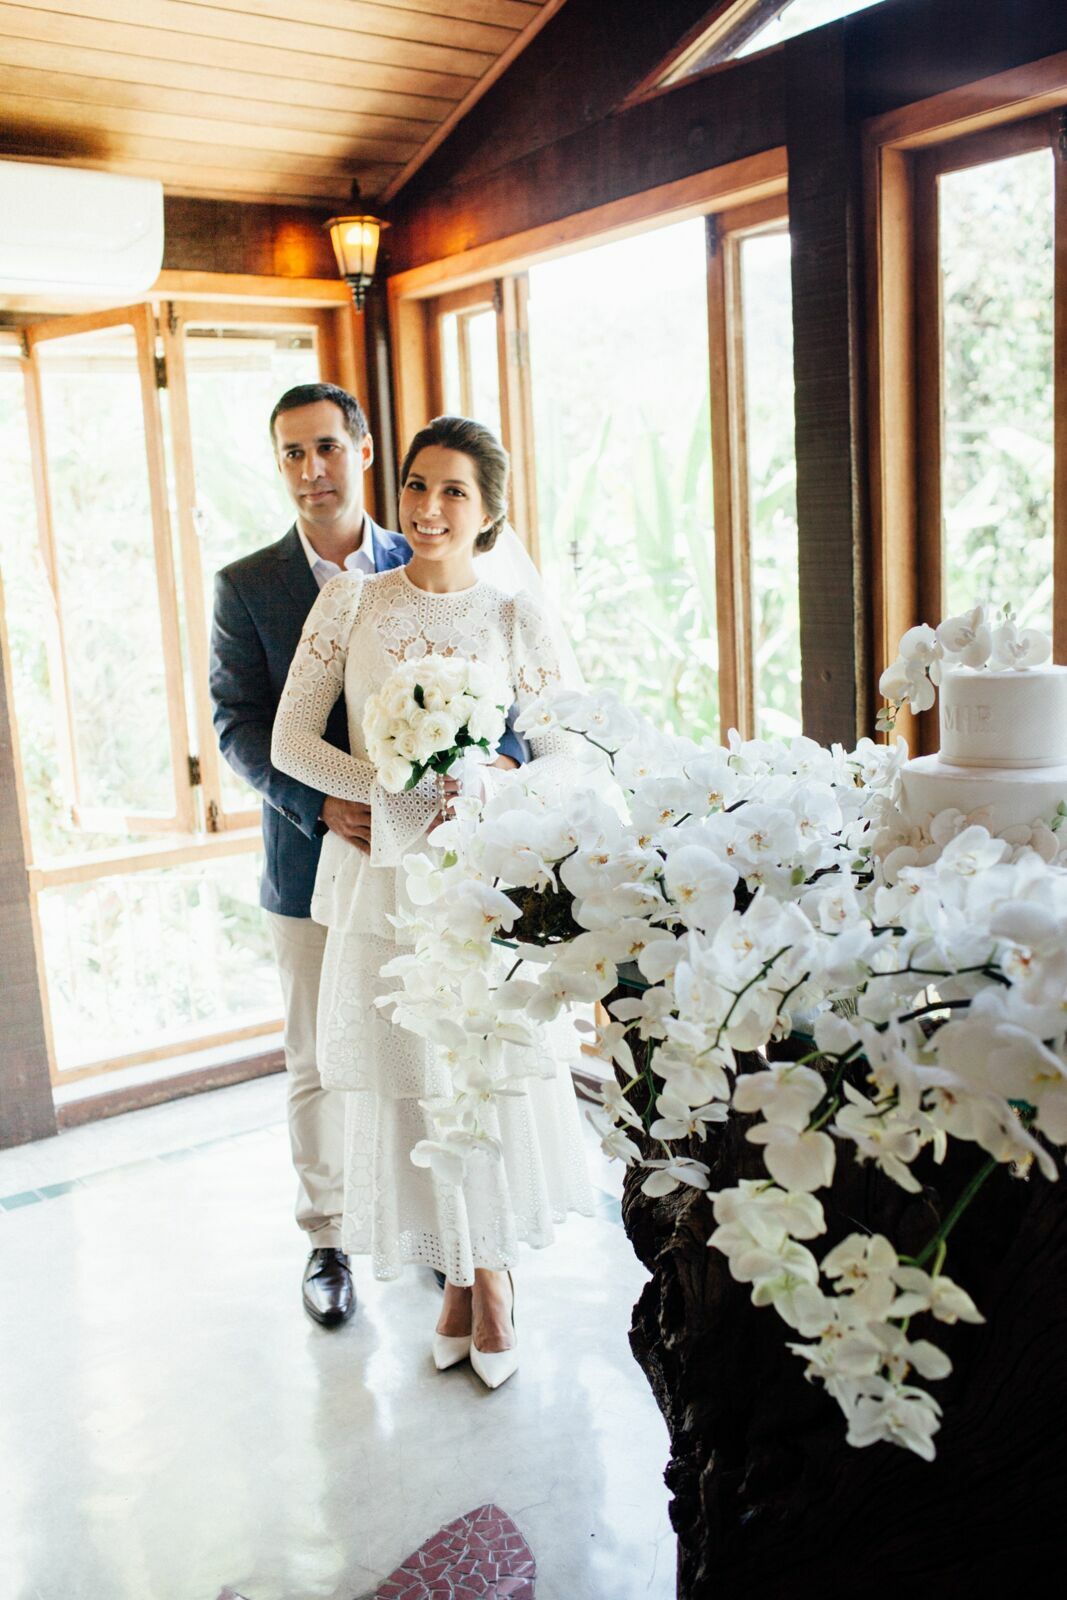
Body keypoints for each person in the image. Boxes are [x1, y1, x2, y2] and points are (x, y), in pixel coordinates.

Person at [271, 415, 593, 1387]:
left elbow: (571, 749)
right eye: (416, 485)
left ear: (489, 509)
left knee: (480, 1074)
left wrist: (490, 783)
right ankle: (452, 1275)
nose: (427, 507)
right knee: (415, 1076)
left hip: (481, 888)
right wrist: (391, 787)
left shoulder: (510, 618)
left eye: (453, 490)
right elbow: (291, 742)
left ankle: (490, 1276)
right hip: (387, 884)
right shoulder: (352, 606)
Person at [209, 384, 526, 1330]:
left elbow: (513, 724)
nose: (311, 471)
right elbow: (240, 726)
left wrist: (488, 774)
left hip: (438, 872)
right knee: (319, 1055)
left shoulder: (428, 552)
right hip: (314, 860)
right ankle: (328, 1237)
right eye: (291, 455)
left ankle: (444, 1242)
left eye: (325, 449)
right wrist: (328, 803)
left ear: (362, 449)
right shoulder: (248, 583)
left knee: (427, 1053)